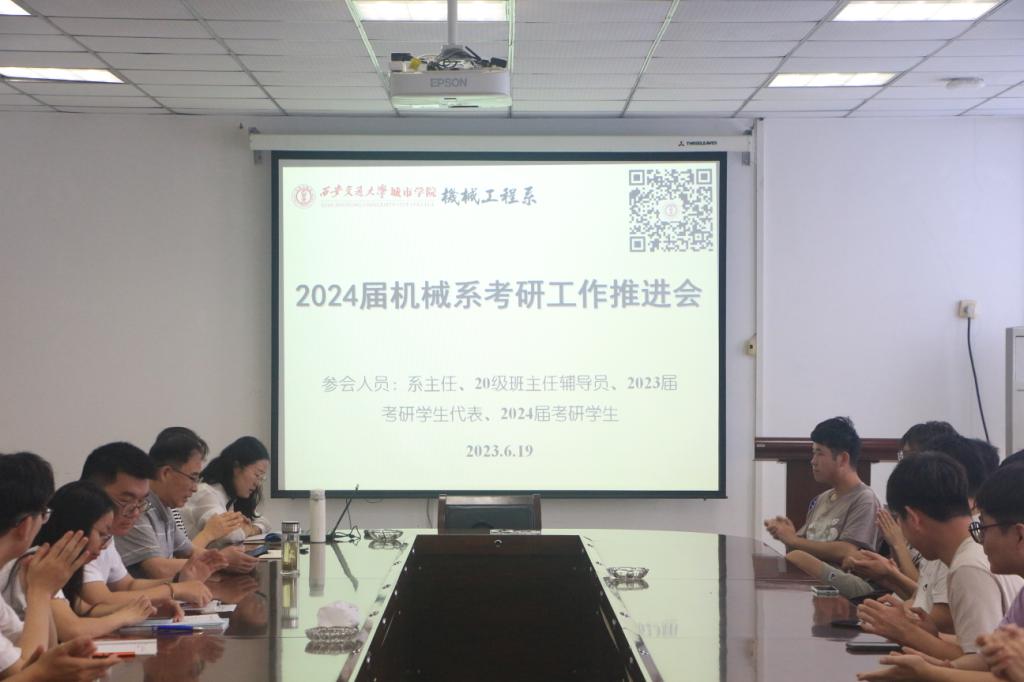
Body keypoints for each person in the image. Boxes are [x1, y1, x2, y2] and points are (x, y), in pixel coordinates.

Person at [856, 453, 1023, 680]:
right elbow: (989, 658)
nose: (980, 538)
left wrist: (928, 665)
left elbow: (998, 671)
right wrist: (939, 664)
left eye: (983, 527)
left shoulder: (969, 566)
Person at [0, 452, 121, 681]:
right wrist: (40, 591)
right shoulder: (33, 563)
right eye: (44, 514)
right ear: (26, 526)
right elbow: (28, 670)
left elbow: (41, 656)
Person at [0, 482, 155, 640]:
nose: (104, 546)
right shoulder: (38, 562)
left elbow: (81, 608)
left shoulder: (60, 565)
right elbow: (72, 630)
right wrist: (124, 617)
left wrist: (138, 608)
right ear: (76, 529)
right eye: (102, 534)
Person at [79, 442, 219, 609]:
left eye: (141, 502)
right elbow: (101, 601)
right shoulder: (78, 534)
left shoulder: (107, 536)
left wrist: (179, 580)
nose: (135, 512)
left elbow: (127, 585)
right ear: (93, 491)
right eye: (126, 500)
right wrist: (172, 590)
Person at [764, 416, 882, 597]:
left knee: (794, 560)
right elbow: (800, 547)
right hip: (814, 582)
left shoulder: (864, 499)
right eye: (813, 453)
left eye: (819, 453)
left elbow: (848, 551)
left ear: (842, 459)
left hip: (848, 585)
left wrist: (794, 541)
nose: (813, 461)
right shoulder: (821, 499)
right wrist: (787, 536)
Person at [115, 434, 256, 579]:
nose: (195, 488)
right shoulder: (138, 509)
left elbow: (190, 551)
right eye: (192, 478)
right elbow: (159, 569)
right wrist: (223, 560)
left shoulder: (164, 507)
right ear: (166, 473)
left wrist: (223, 558)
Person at [181, 436, 270, 548]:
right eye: (257, 475)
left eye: (262, 478)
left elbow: (264, 522)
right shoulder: (205, 493)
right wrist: (249, 529)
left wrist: (250, 529)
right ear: (236, 467)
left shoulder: (231, 497)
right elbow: (229, 535)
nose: (258, 483)